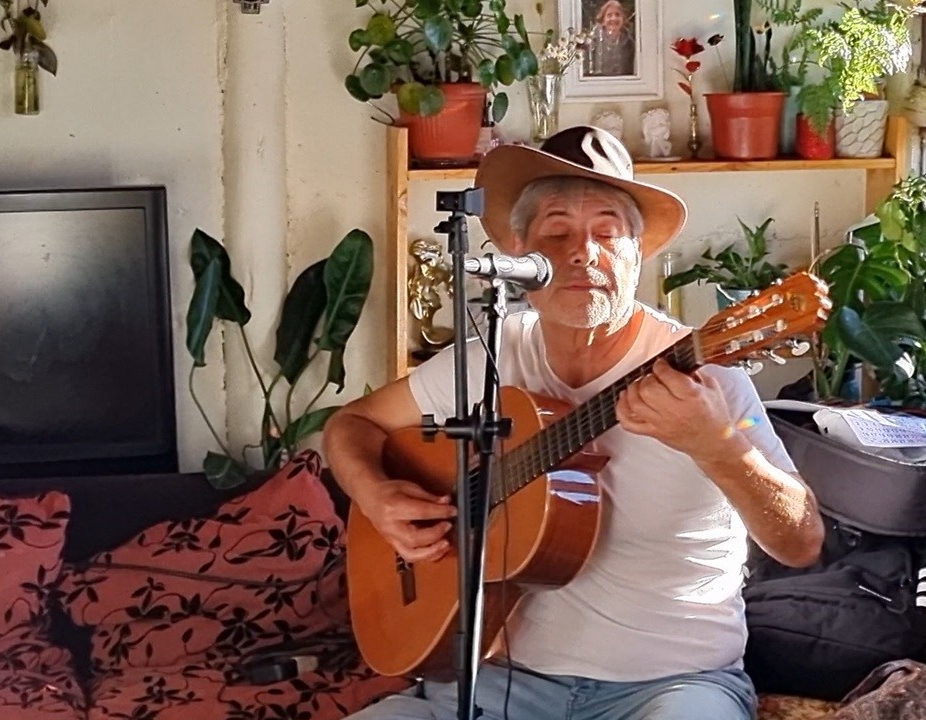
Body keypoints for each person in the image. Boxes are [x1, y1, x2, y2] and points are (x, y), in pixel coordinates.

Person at [324, 126, 825, 720]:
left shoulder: (713, 387)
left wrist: (718, 447)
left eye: (607, 233)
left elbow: (802, 542)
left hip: (672, 686)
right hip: (500, 683)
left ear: (639, 253)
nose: (582, 253)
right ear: (518, 253)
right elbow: (351, 425)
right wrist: (378, 495)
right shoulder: (492, 355)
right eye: (556, 232)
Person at [584, 0, 636, 76]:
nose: (613, 18)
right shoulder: (594, 38)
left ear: (623, 19)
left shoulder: (629, 41)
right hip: (598, 82)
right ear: (603, 19)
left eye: (617, 15)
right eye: (609, 15)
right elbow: (587, 62)